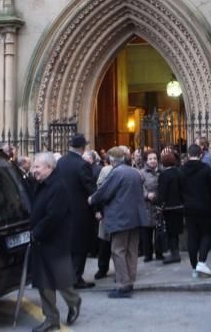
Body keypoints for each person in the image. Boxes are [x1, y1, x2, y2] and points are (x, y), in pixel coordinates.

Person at [29, 152, 81, 332]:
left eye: (37, 167)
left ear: (49, 168)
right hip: (41, 240)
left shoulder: (58, 187)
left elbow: (54, 216)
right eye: (33, 166)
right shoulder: (41, 184)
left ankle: (74, 301)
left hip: (54, 240)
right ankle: (51, 318)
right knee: (44, 282)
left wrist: (37, 232)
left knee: (59, 278)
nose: (34, 170)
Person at [88, 146, 150, 298]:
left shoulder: (116, 173)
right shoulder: (134, 172)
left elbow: (105, 191)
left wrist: (92, 199)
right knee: (131, 251)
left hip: (121, 218)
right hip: (135, 217)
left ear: (111, 160)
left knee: (118, 251)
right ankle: (130, 280)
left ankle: (123, 284)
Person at [56, 134, 97, 289]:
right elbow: (90, 188)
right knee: (80, 246)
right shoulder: (82, 164)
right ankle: (75, 278)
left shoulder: (60, 162)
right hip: (80, 212)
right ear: (82, 147)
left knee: (68, 245)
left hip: (63, 210)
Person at [181, 143, 211, 278]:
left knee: (192, 236)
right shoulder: (206, 168)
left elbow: (180, 189)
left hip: (189, 207)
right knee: (206, 234)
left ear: (189, 154)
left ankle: (194, 267)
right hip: (204, 206)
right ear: (201, 154)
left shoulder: (182, 170)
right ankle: (202, 261)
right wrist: (210, 199)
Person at [156, 149, 184, 264]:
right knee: (176, 231)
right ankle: (175, 251)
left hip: (169, 208)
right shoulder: (179, 172)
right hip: (180, 206)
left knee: (171, 232)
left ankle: (174, 254)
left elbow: (162, 193)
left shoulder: (164, 175)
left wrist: (159, 207)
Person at [139, 150, 162, 262]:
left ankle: (159, 252)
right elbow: (139, 188)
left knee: (159, 231)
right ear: (146, 160)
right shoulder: (142, 173)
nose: (153, 161)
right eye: (150, 159)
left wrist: (158, 195)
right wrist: (147, 195)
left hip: (158, 205)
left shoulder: (161, 172)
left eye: (154, 158)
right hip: (146, 205)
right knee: (147, 232)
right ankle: (147, 254)